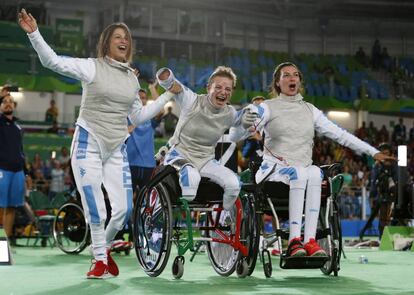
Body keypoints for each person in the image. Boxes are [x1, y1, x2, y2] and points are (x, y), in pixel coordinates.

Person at [18, 8, 175, 279]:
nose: (123, 40)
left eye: (126, 37)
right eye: (117, 36)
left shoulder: (131, 78)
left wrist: (165, 97)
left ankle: (101, 248)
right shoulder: (92, 66)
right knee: (97, 207)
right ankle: (99, 259)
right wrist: (34, 34)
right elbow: (52, 61)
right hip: (88, 142)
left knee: (124, 210)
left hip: (116, 147)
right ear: (107, 42)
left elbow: (137, 116)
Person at [249, 62, 394, 257]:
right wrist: (249, 124)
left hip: (301, 170)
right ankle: (293, 241)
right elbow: (249, 121)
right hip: (273, 172)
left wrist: (372, 152)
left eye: (295, 75)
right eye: (286, 75)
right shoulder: (268, 107)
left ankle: (309, 241)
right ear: (277, 82)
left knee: (316, 174)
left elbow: (340, 135)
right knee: (300, 174)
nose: (292, 78)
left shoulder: (310, 110)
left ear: (300, 81)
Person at [157, 66, 256, 211]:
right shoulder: (192, 101)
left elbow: (242, 118)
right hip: (179, 153)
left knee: (234, 184)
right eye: (218, 87)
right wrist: (166, 78)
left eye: (228, 89)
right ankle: (180, 215)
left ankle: (227, 218)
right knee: (191, 177)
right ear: (208, 87)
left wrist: (247, 119)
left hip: (205, 159)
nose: (223, 92)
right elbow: (174, 86)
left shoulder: (229, 113)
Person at [0, 94, 26, 246]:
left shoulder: (18, 126)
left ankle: (5, 242)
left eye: (10, 102)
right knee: (0, 206)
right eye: (4, 102)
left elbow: (21, 150)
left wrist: (27, 172)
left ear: (14, 106)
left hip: (18, 171)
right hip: (2, 169)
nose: (8, 104)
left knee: (12, 207)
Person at [359, 143, 397, 240]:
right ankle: (382, 239)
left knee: (391, 219)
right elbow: (373, 183)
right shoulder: (377, 167)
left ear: (391, 154)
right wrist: (372, 197)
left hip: (395, 197)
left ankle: (394, 238)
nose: (384, 156)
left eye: (386, 153)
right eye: (382, 154)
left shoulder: (396, 166)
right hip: (382, 196)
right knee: (382, 219)